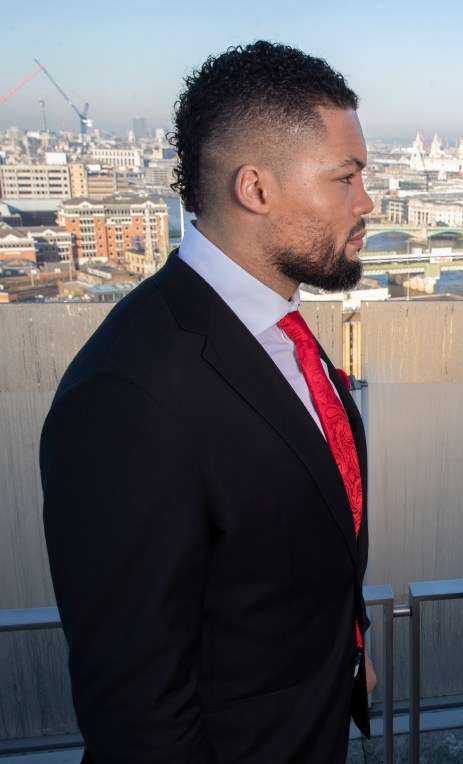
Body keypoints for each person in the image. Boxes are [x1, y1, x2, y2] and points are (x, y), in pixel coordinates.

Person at [41, 41, 376, 763]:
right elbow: (134, 704)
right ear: (255, 190)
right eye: (345, 178)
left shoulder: (278, 327)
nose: (367, 202)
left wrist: (349, 647)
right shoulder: (127, 395)